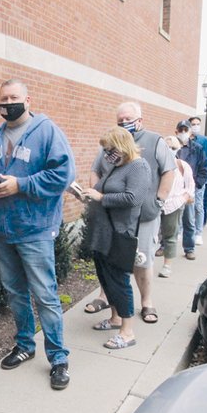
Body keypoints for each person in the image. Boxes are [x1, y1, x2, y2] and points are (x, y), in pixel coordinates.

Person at [0, 79, 75, 390]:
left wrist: (21, 184)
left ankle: (58, 357)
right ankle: (25, 345)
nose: (8, 101)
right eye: (3, 97)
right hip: (2, 230)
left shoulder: (47, 132)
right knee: (15, 293)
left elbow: (63, 174)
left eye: (14, 97)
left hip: (35, 230)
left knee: (45, 294)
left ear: (28, 99)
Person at [82, 126, 151, 349]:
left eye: (109, 148)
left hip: (120, 233)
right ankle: (115, 318)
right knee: (106, 279)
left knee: (119, 281)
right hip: (102, 232)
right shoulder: (115, 166)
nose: (106, 153)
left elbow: (134, 198)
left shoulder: (138, 166)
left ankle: (127, 332)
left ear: (122, 146)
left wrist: (101, 196)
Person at [158, 136, 194, 278]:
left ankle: (167, 265)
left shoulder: (182, 165)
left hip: (174, 204)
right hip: (156, 203)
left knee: (170, 235)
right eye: (167, 148)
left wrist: (183, 199)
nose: (170, 151)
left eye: (173, 148)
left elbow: (190, 186)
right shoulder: (156, 164)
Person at [176, 120, 207, 260]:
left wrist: (196, 186)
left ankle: (189, 248)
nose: (183, 132)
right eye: (181, 130)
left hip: (188, 189)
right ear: (176, 131)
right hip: (173, 189)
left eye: (186, 130)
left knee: (189, 220)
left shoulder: (197, 148)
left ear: (190, 132)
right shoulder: (172, 147)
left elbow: (204, 168)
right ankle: (164, 245)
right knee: (169, 220)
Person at [189, 116, 207, 231]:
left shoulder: (204, 140)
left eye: (197, 124)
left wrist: (201, 179)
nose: (195, 126)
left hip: (198, 178)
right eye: (193, 124)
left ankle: (198, 231)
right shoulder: (186, 139)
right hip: (186, 178)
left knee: (198, 206)